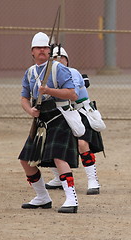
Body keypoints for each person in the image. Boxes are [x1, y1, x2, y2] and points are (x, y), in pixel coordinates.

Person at [18, 32, 79, 213]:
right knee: (26, 161)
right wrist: (30, 110)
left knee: (59, 157)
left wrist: (49, 90)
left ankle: (71, 199)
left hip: (59, 116)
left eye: (45, 47)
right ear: (32, 51)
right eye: (38, 48)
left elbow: (72, 94)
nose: (42, 51)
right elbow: (23, 98)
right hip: (41, 120)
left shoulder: (58, 68)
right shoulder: (29, 72)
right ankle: (42, 197)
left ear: (49, 50)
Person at [44, 46, 104, 195]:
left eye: (61, 58)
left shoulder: (73, 73)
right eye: (54, 58)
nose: (58, 61)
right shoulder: (47, 75)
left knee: (82, 143)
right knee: (50, 144)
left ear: (67, 60)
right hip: (61, 113)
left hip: (81, 111)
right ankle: (58, 177)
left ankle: (93, 180)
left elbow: (74, 95)